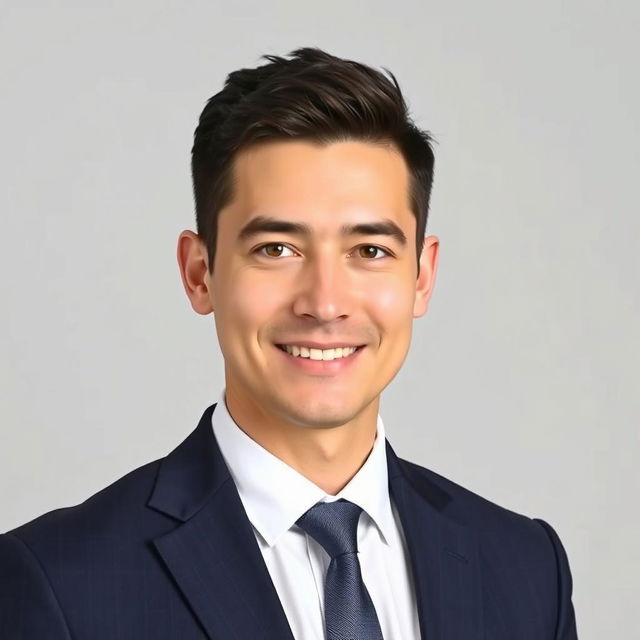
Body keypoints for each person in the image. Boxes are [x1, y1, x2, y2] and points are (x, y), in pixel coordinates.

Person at [0, 47, 578, 639]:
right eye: (276, 249)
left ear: (421, 278)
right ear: (200, 273)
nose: (325, 304)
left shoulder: (527, 569)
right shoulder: (58, 582)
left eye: (370, 251)